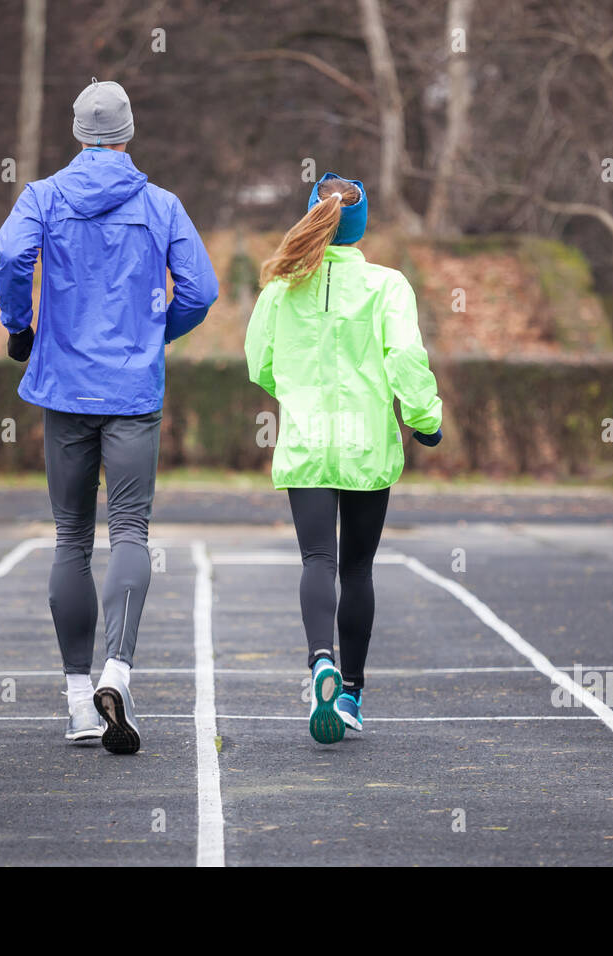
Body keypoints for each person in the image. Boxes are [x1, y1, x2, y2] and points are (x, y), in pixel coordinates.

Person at [0, 77, 218, 752]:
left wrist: (19, 324)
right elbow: (201, 290)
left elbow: (10, 255)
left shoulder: (44, 196)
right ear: (127, 134)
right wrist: (157, 334)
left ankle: (76, 702)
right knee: (129, 532)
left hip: (65, 388)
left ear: (76, 132)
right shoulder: (161, 204)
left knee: (69, 537)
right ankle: (117, 670)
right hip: (132, 394)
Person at [244, 172, 443, 744]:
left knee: (317, 563)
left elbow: (259, 362)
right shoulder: (387, 285)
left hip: (307, 441)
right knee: (358, 570)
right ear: (360, 227)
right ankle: (351, 690)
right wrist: (425, 419)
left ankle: (320, 662)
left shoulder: (281, 287)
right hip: (366, 446)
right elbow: (405, 355)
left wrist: (298, 391)